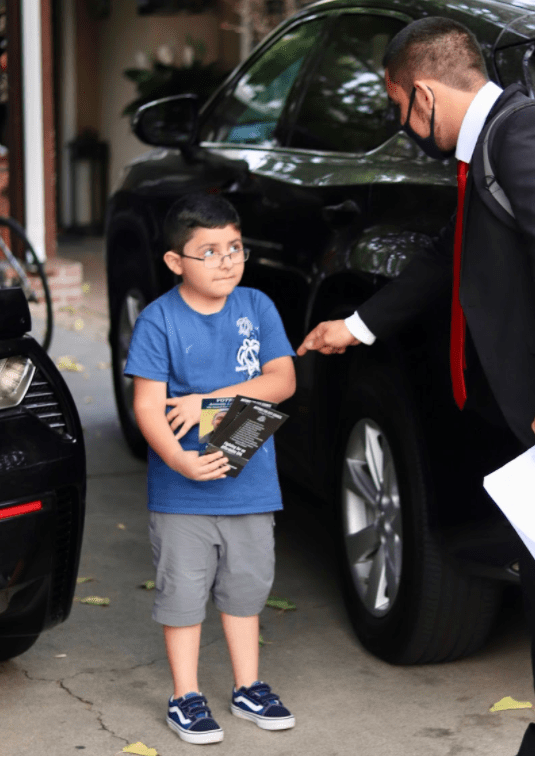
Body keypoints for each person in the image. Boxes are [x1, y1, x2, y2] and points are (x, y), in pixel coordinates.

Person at [297, 17, 535, 757]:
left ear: (420, 94)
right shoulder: (493, 146)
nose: (399, 124)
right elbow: (454, 254)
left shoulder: (529, 131)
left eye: (396, 108)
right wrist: (360, 325)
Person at [125, 193, 297, 745]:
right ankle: (186, 695)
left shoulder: (257, 307)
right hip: (184, 494)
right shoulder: (159, 321)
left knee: (247, 591)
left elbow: (282, 381)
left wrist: (208, 400)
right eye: (210, 251)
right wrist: (179, 461)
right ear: (177, 261)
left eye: (235, 247)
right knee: (183, 595)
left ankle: (248, 687)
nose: (227, 260)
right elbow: (148, 406)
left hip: (251, 489)